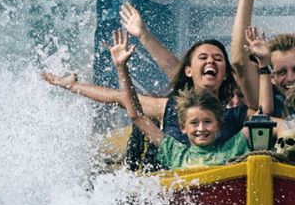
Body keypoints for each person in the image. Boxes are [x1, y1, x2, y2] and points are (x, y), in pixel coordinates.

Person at [41, 29, 247, 146]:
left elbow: (270, 121)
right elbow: (125, 103)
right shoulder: (175, 146)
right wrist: (73, 85)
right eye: (203, 58)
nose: (201, 128)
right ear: (184, 125)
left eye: (218, 59)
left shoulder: (235, 116)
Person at [107, 29, 249, 168]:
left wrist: (263, 65)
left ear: (219, 125)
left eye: (207, 121)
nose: (201, 128)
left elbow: (266, 118)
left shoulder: (231, 150)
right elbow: (136, 115)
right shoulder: (175, 153)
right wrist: (121, 68)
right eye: (194, 122)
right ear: (182, 127)